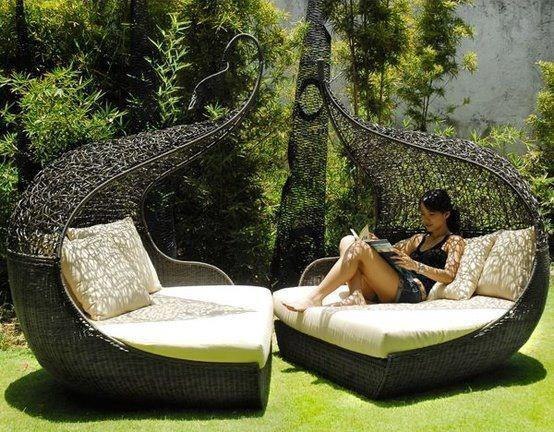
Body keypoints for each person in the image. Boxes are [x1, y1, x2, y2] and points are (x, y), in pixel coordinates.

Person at [281, 189, 466, 311]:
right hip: (390, 283)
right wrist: (376, 243)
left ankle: (315, 297)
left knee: (358, 247)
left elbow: (449, 276)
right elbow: (391, 252)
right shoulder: (418, 239)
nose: (426, 220)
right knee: (348, 241)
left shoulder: (454, 241)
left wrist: (416, 266)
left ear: (446, 214)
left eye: (431, 215)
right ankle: (356, 295)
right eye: (423, 214)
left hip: (413, 290)